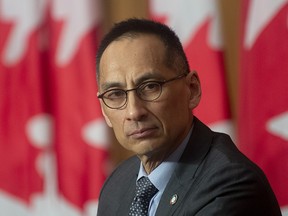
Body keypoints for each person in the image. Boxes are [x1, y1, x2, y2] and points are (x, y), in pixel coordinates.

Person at [95, 18, 281, 216]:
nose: (134, 111)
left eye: (150, 86)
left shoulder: (231, 187)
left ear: (192, 89)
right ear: (104, 111)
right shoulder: (116, 185)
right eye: (115, 94)